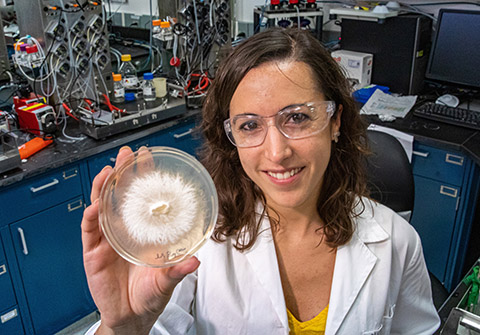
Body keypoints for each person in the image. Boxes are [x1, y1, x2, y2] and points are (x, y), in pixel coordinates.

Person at [82, 28, 440, 335]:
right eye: (250, 125)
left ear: (335, 122)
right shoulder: (195, 242)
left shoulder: (397, 242)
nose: (277, 151)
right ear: (231, 137)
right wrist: (123, 327)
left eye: (298, 117)